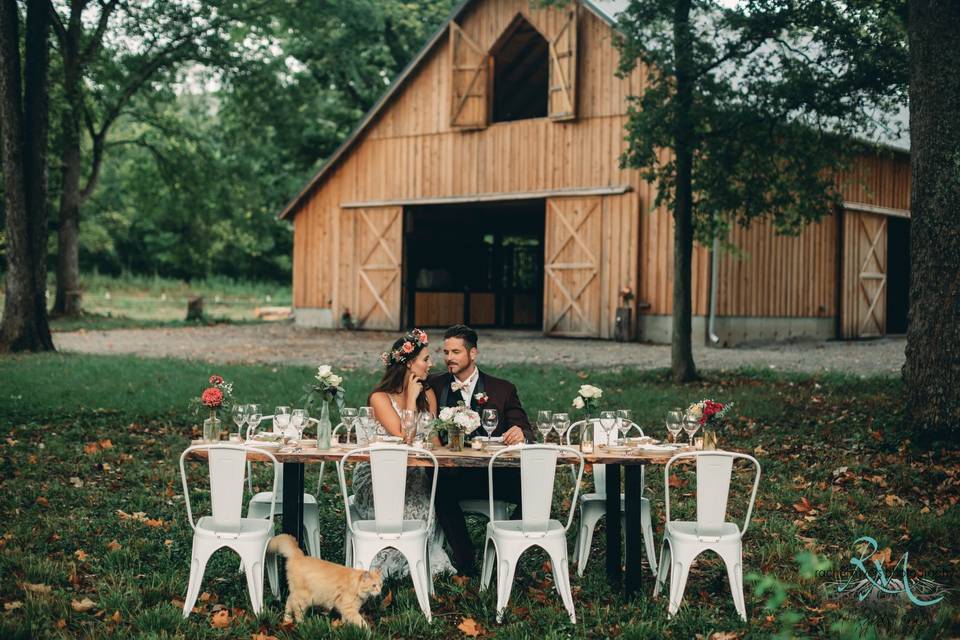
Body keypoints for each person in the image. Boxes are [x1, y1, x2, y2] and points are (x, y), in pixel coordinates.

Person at [427, 324, 536, 576]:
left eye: (455, 352)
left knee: (534, 490)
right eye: (445, 352)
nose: (449, 358)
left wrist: (521, 433)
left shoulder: (502, 388)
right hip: (453, 476)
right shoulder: (434, 385)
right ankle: (467, 562)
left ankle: (505, 550)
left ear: (473, 353)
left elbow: (527, 430)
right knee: (438, 487)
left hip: (494, 475)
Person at [350, 328, 455, 578]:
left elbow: (434, 442)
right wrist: (410, 401)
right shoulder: (380, 398)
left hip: (417, 469)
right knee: (400, 512)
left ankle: (414, 557)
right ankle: (392, 563)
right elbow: (403, 439)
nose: (431, 364)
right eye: (426, 359)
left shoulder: (428, 394)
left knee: (427, 502)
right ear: (409, 364)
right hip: (378, 474)